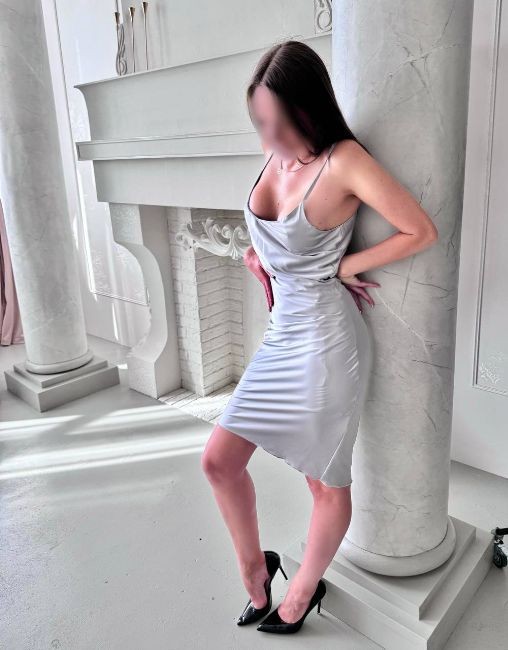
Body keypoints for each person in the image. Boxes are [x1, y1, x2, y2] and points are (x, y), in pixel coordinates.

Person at [201, 39, 438, 635]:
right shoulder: (274, 152)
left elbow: (420, 230)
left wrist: (345, 266)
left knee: (325, 481)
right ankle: (255, 570)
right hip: (282, 334)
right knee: (219, 462)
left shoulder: (344, 161)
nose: (270, 136)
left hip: (329, 344)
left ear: (310, 109)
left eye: (280, 122)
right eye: (261, 122)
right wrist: (257, 257)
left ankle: (303, 589)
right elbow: (272, 234)